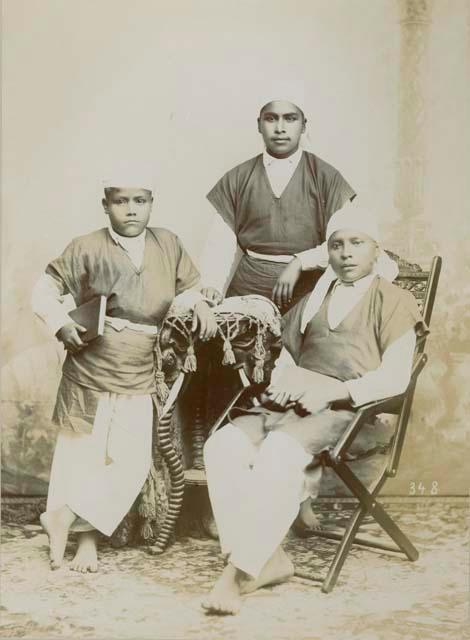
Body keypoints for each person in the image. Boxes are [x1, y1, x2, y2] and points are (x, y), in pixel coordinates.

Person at [201, 204, 427, 614]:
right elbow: (288, 356)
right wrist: (281, 385)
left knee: (280, 453)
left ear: (377, 250)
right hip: (295, 400)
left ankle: (235, 575)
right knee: (222, 447)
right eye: (337, 245)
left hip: (351, 409)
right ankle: (266, 560)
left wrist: (335, 392)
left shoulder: (393, 301)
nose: (346, 253)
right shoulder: (318, 296)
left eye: (357, 243)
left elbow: (396, 378)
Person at [32, 171, 217, 572]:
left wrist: (199, 304)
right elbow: (43, 291)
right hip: (90, 367)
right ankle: (85, 542)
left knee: (131, 464)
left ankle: (64, 515)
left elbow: (186, 289)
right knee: (83, 456)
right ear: (105, 205)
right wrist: (61, 323)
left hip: (139, 369)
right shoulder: (86, 246)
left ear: (151, 203)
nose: (131, 209)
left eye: (140, 200)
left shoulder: (167, 243)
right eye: (120, 201)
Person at [200, 99, 357, 312]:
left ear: (303, 125)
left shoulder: (325, 177)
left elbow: (343, 240)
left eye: (290, 119)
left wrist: (300, 262)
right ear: (259, 125)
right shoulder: (238, 177)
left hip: (308, 290)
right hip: (248, 289)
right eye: (271, 118)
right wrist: (212, 284)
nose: (280, 128)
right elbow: (220, 242)